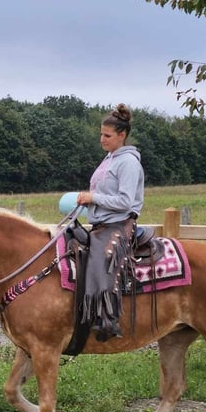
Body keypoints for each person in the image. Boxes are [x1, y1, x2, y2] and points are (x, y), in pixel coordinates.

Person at [76, 104, 145, 341]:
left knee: (102, 260)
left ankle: (108, 319)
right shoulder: (110, 159)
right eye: (101, 134)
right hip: (102, 223)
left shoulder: (128, 162)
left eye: (107, 135)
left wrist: (93, 198)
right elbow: (107, 194)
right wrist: (89, 201)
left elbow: (125, 201)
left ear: (122, 135)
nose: (102, 139)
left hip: (119, 225)